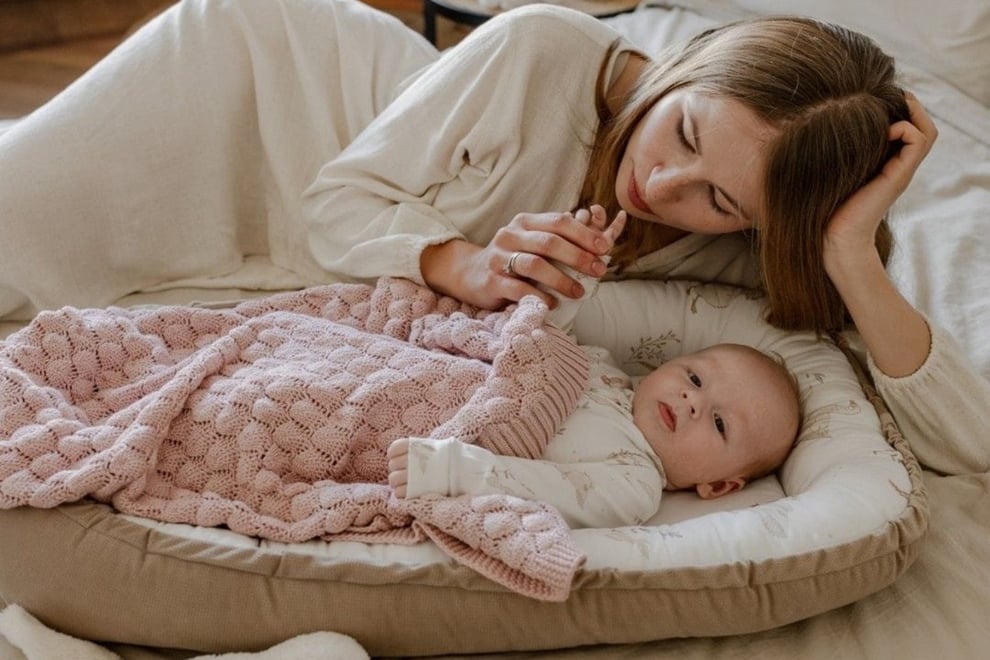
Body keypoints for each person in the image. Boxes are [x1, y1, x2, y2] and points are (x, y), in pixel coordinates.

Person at [0, 0, 985, 475]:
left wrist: (851, 245)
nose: (665, 185)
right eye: (683, 132)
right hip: (276, 93)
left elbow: (966, 443)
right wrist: (460, 263)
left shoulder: (750, 254)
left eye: (720, 201)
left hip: (313, 275)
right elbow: (338, 202)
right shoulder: (546, 46)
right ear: (685, 72)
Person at [385, 340, 801, 529]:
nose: (692, 400)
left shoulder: (633, 482)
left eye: (719, 423)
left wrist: (455, 469)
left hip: (434, 435)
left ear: (719, 486)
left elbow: (548, 491)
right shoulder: (603, 366)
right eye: (694, 376)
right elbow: (539, 339)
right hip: (437, 368)